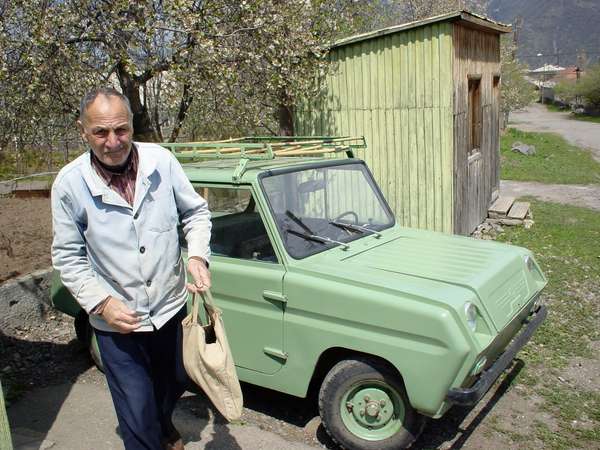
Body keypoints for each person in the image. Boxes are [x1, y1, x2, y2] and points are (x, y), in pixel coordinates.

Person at [51, 88, 211, 450]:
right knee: (136, 412)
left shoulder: (162, 161)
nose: (112, 142)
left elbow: (196, 213)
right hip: (117, 322)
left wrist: (197, 256)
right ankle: (150, 434)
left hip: (171, 307)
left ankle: (162, 425)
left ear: (132, 125)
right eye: (100, 132)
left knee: (177, 379)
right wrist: (102, 304)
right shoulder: (70, 184)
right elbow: (67, 256)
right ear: (83, 131)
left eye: (121, 130)